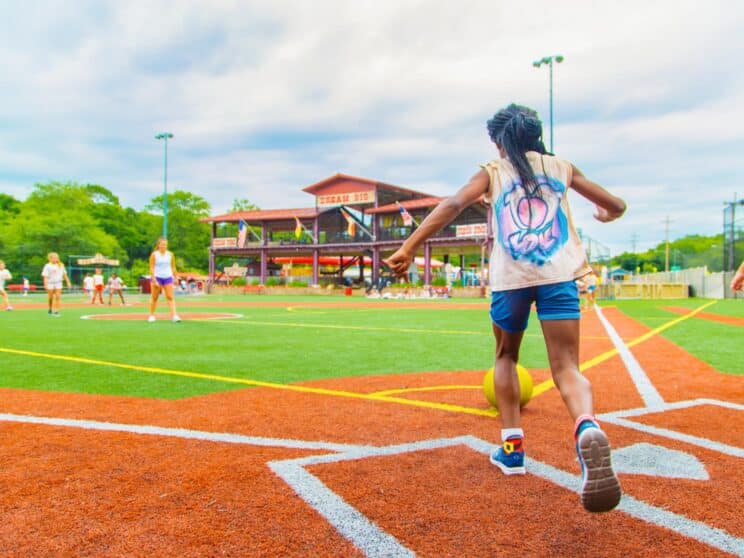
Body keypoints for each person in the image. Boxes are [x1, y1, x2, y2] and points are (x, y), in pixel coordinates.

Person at [385, 103, 626, 513]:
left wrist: (409, 247)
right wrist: (604, 213)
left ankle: (512, 450)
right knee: (567, 367)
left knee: (506, 355)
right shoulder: (562, 167)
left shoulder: (493, 172)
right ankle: (586, 425)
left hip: (510, 280)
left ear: (500, 141)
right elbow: (616, 205)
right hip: (558, 276)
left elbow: (451, 204)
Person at [148, 237, 181, 323]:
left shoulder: (170, 254)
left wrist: (176, 277)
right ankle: (151, 315)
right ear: (158, 245)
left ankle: (174, 315)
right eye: (162, 244)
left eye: (165, 245)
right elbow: (151, 267)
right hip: (157, 277)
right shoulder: (154, 255)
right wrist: (154, 279)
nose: (164, 246)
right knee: (154, 297)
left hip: (168, 277)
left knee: (170, 297)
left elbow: (173, 267)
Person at [41, 252, 71, 316]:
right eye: (54, 258)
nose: (55, 259)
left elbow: (64, 274)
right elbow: (45, 276)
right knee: (50, 297)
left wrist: (68, 282)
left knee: (58, 296)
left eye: (56, 258)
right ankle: (50, 309)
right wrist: (45, 284)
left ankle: (57, 311)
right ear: (50, 259)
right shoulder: (47, 266)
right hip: (50, 283)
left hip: (58, 282)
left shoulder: (61, 265)